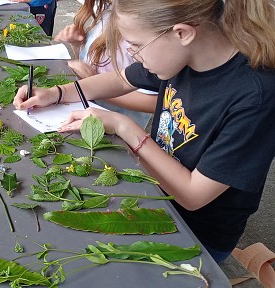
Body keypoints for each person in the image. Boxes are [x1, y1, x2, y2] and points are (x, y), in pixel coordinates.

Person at [14, 0, 275, 263]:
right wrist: (56, 94)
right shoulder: (187, 53)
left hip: (194, 235)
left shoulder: (256, 97)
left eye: (137, 46)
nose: (134, 55)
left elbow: (193, 196)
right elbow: (121, 79)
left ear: (182, 33)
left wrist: (124, 126)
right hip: (152, 188)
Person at [54, 0, 156, 127]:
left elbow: (154, 102)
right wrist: (76, 44)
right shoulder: (107, 10)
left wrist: (91, 83)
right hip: (88, 111)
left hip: (117, 129)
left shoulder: (139, 25)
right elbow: (91, 65)